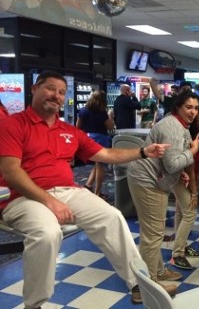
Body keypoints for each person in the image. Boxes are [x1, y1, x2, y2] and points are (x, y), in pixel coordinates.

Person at [0, 71, 171, 308]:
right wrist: (50, 202)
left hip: (66, 191)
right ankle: (35, 304)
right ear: (34, 89)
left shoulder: (68, 130)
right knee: (48, 233)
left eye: (61, 92)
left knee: (112, 216)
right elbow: (11, 171)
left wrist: (143, 152)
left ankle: (138, 283)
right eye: (50, 88)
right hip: (23, 197)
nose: (56, 96)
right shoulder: (13, 124)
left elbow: (106, 154)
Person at [126, 91, 199, 293]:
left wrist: (179, 173)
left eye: (196, 108)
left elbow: (171, 162)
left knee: (152, 232)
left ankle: (157, 270)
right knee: (153, 234)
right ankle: (148, 286)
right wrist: (192, 152)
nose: (193, 112)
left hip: (152, 179)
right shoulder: (173, 128)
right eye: (188, 107)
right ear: (177, 107)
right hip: (147, 182)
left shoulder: (179, 125)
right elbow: (171, 164)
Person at [170, 108, 199, 270]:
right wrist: (195, 191)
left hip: (190, 177)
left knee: (181, 212)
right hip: (181, 177)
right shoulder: (193, 140)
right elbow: (189, 166)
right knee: (190, 212)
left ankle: (181, 245)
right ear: (196, 124)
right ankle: (177, 254)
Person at [76, 90, 114, 200]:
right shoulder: (102, 113)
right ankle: (98, 193)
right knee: (100, 165)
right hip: (100, 140)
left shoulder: (83, 111)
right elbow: (110, 127)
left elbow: (77, 128)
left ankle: (88, 185)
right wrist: (110, 116)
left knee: (96, 164)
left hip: (87, 140)